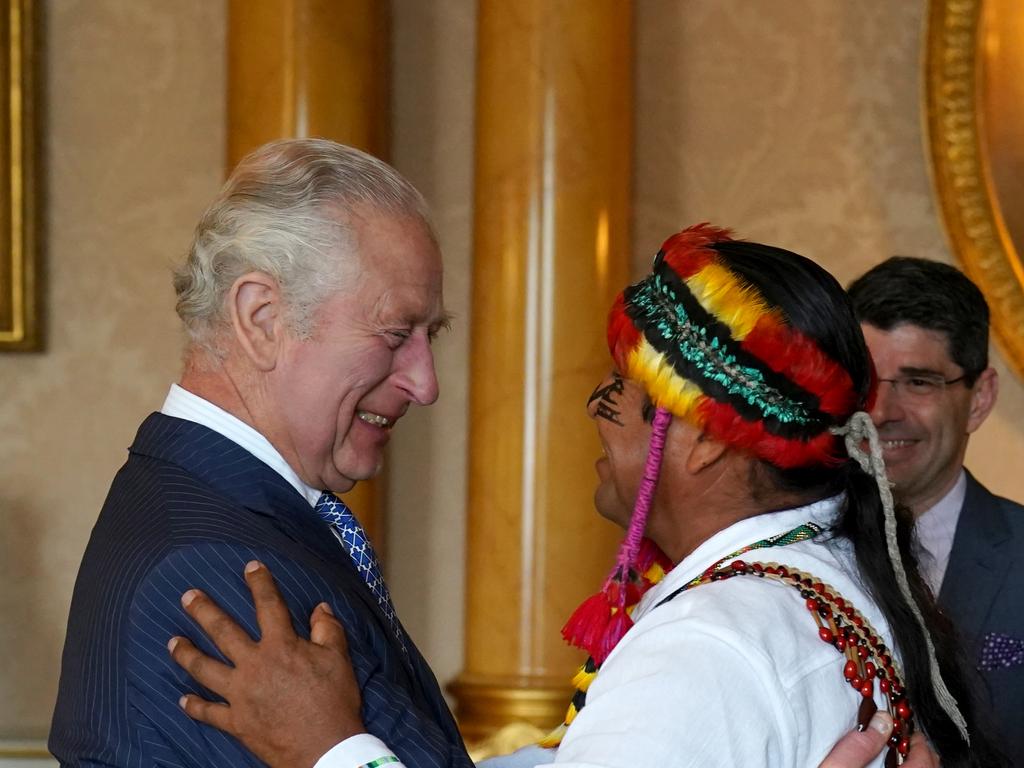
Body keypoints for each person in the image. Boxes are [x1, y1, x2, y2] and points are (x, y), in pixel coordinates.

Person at [170, 225, 980, 766]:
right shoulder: (826, 576)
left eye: (618, 394)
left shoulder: (713, 647)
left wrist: (328, 747)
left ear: (699, 439)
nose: (598, 419)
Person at [49, 139, 472, 768]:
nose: (425, 384)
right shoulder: (222, 571)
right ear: (262, 317)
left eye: (429, 335)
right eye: (394, 333)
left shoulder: (221, 508)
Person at [849, 256, 1024, 765]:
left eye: (918, 382)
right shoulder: (782, 549)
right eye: (865, 382)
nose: (880, 412)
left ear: (979, 398)